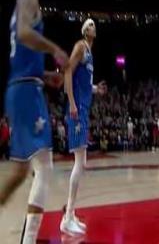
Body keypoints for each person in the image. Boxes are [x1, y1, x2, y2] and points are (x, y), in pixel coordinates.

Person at [0, 0, 69, 244]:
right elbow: (25, 34)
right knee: (44, 166)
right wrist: (55, 49)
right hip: (27, 92)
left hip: (20, 87)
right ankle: (28, 240)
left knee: (19, 172)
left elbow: (22, 54)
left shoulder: (21, 4)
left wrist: (47, 75)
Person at [60, 19, 105, 236]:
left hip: (83, 108)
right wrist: (72, 103)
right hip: (77, 109)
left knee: (82, 162)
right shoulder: (80, 46)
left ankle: (70, 214)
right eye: (91, 24)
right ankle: (67, 217)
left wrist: (96, 89)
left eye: (94, 24)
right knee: (79, 162)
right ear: (85, 30)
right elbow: (67, 71)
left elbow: (84, 83)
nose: (94, 27)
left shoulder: (90, 53)